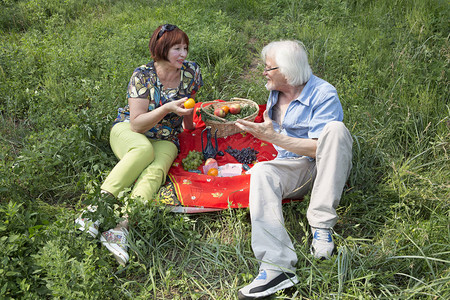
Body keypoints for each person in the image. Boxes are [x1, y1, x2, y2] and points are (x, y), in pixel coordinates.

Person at [75, 24, 203, 266]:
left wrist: (188, 120)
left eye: (185, 48)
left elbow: (189, 111)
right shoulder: (143, 75)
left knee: (156, 170)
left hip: (166, 137)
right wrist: (166, 108)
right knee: (143, 150)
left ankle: (120, 229)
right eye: (177, 48)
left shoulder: (191, 72)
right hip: (129, 129)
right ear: (162, 48)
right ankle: (93, 211)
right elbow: (136, 125)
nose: (184, 54)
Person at [234, 40, 353, 299]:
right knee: (262, 172)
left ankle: (321, 226)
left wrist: (274, 138)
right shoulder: (275, 94)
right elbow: (281, 141)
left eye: (268, 68)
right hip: (296, 166)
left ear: (287, 71)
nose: (264, 73)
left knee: (335, 130)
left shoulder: (323, 94)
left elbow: (319, 150)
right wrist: (266, 133)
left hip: (325, 166)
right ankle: (277, 268)